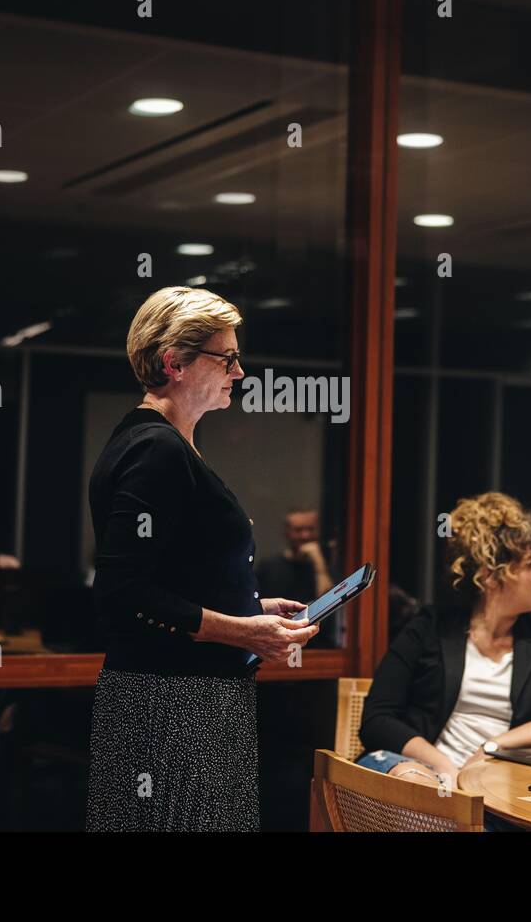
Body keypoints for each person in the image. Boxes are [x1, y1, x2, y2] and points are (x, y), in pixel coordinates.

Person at [85, 285, 319, 832]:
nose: (240, 372)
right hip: (172, 707)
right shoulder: (156, 449)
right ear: (175, 363)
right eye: (228, 357)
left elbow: (175, 576)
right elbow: (122, 595)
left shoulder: (164, 443)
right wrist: (243, 631)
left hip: (184, 698)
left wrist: (252, 607)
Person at [357, 493, 531, 799]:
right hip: (428, 773)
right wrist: (444, 766)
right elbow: (376, 720)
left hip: (504, 781)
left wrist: (494, 747)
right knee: (417, 784)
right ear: (489, 575)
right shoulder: (429, 628)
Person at [255, 508, 337, 647]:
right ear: (286, 533)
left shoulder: (326, 566)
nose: (305, 535)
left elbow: (330, 604)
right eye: (298, 530)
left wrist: (319, 564)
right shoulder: (268, 566)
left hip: (320, 648)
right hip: (279, 646)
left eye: (310, 529)